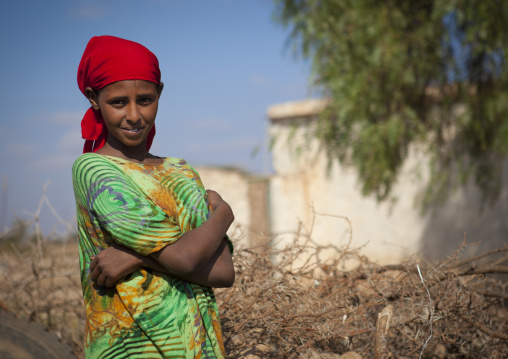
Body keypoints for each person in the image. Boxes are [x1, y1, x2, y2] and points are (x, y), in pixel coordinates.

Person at [72, 35, 235, 359]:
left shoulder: (180, 171)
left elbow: (224, 272)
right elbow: (187, 259)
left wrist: (138, 257)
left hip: (200, 349)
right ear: (94, 98)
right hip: (129, 349)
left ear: (159, 93)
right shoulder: (94, 170)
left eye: (145, 100)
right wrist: (224, 215)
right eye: (118, 102)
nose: (134, 115)